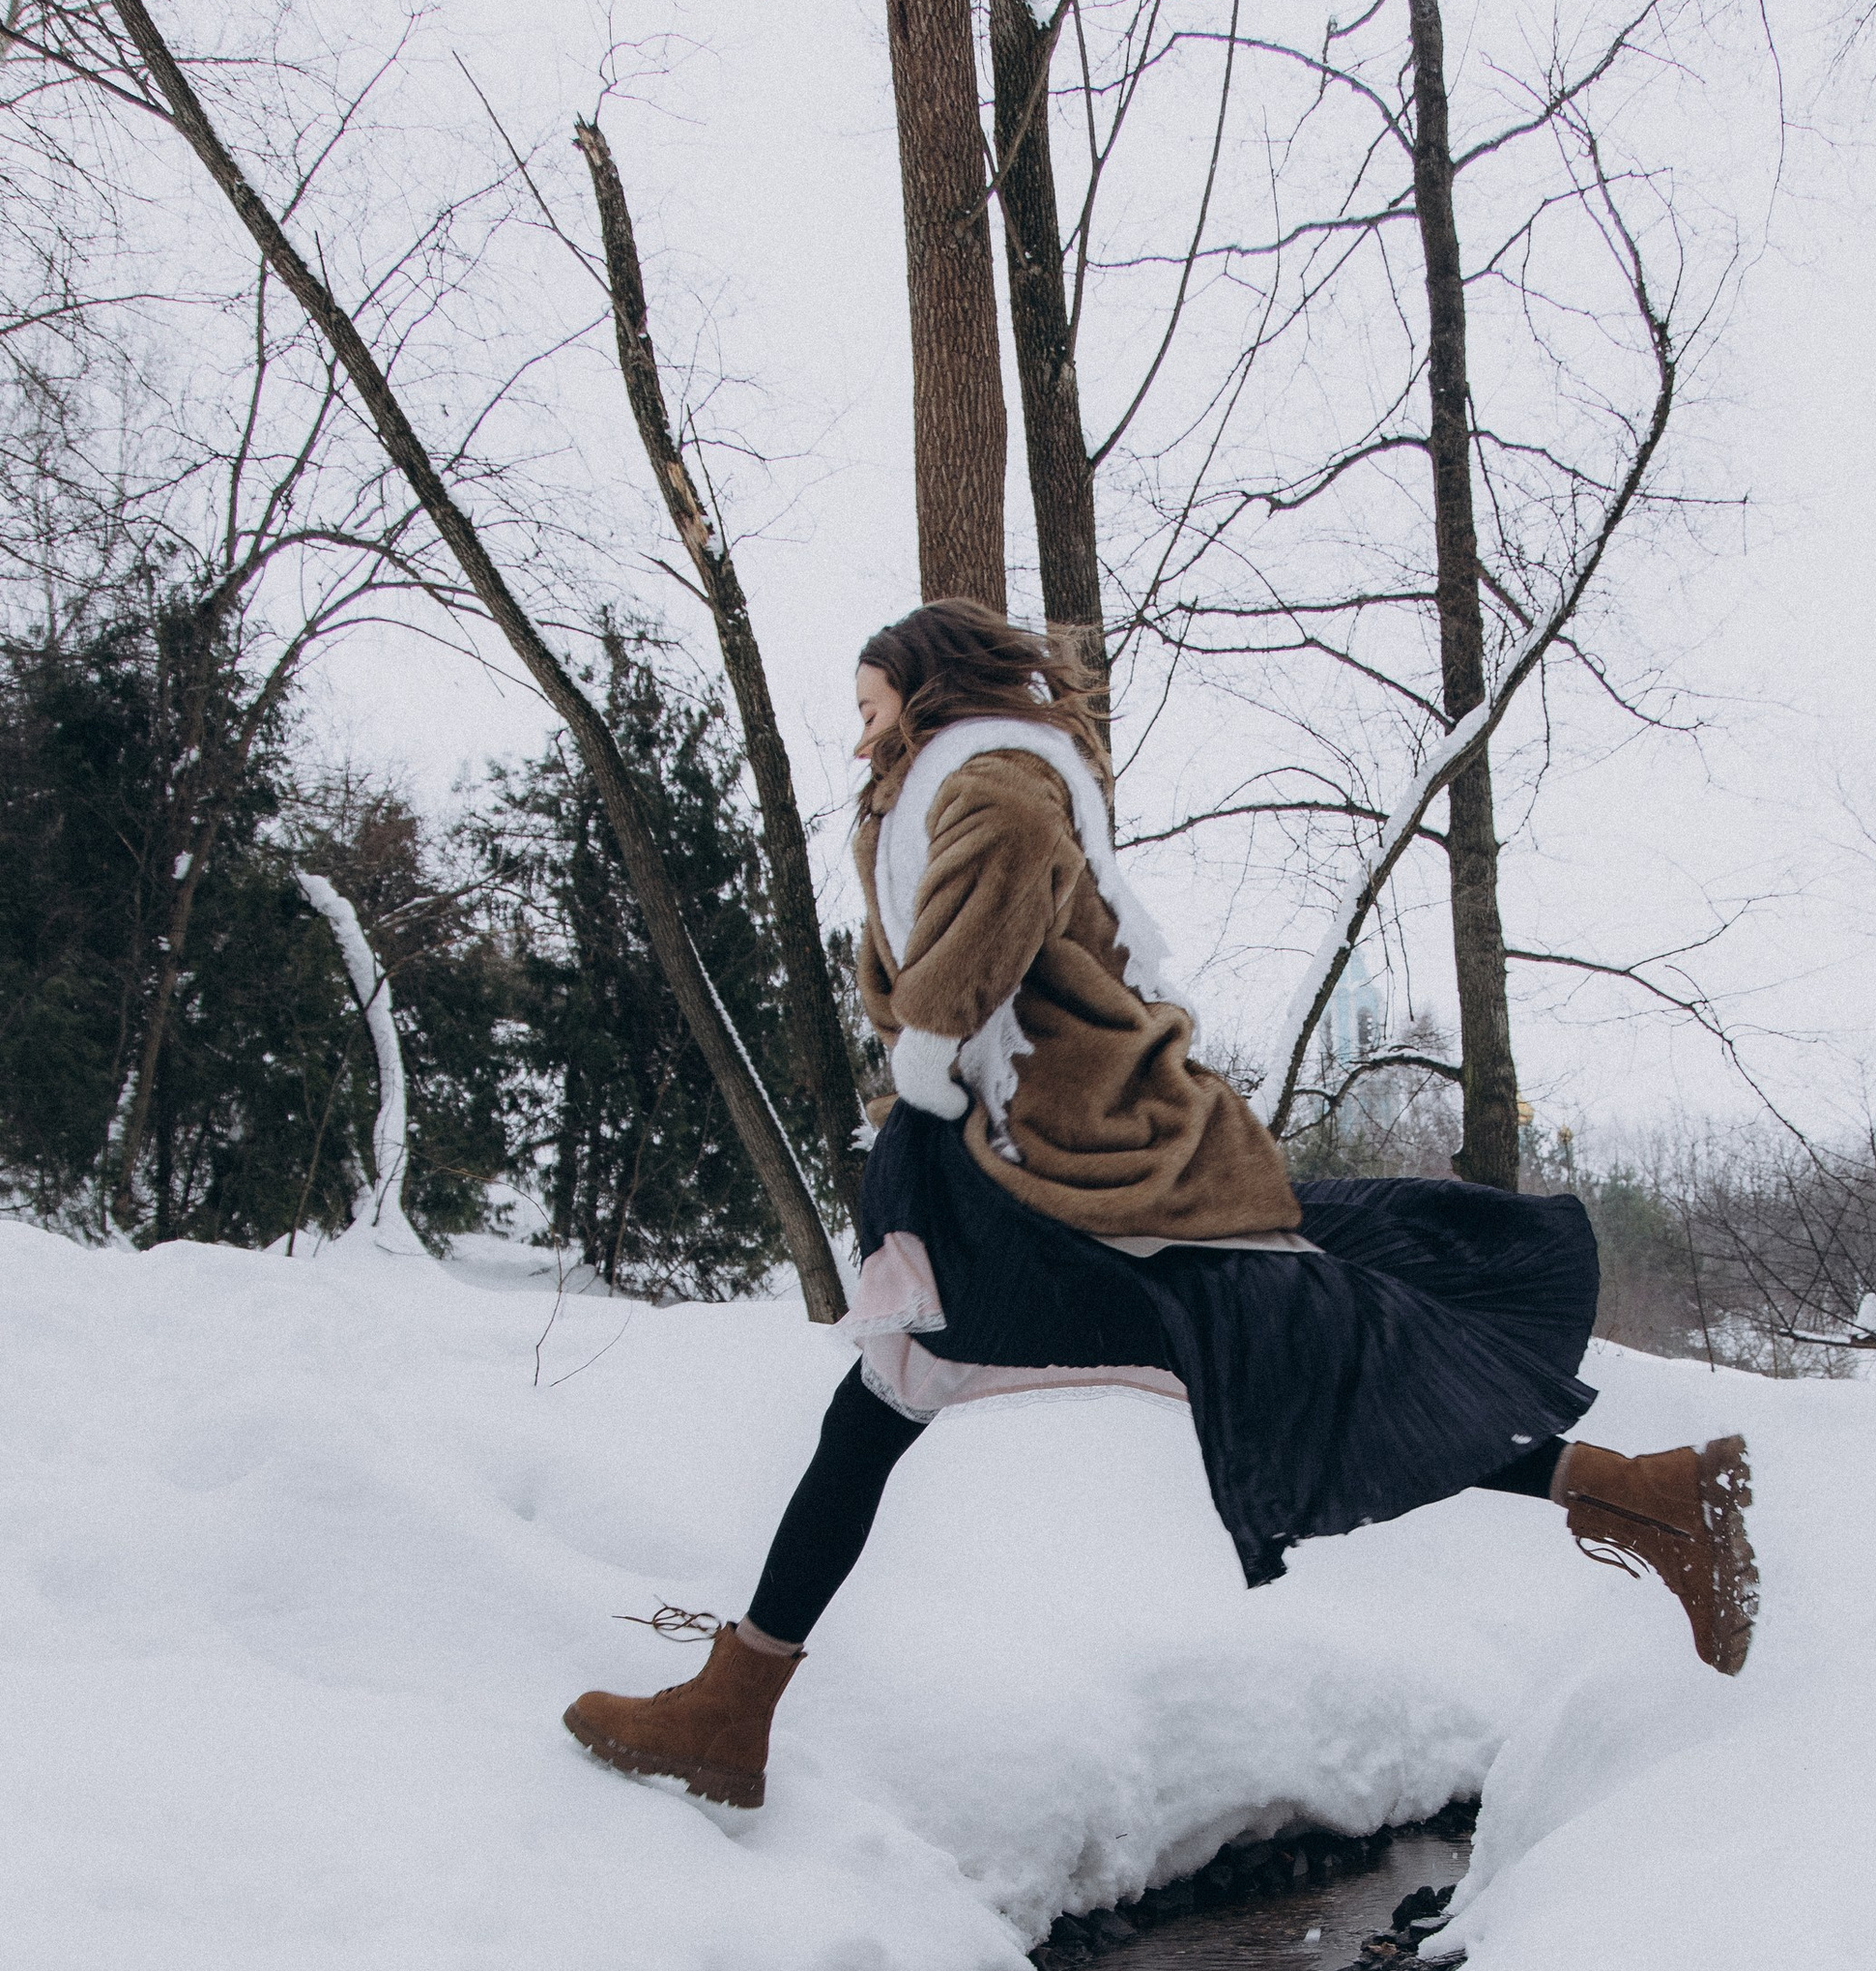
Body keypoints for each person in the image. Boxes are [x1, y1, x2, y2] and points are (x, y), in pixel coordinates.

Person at [563, 601, 1757, 1810]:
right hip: (1007, 1168)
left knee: (1258, 1347)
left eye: (870, 711)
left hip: (1042, 1170)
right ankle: (733, 1711)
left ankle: (1651, 1497)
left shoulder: (993, 790)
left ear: (923, 696)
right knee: (922, 1401)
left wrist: (922, 1066)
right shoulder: (956, 786)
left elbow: (976, 946)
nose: (858, 738)